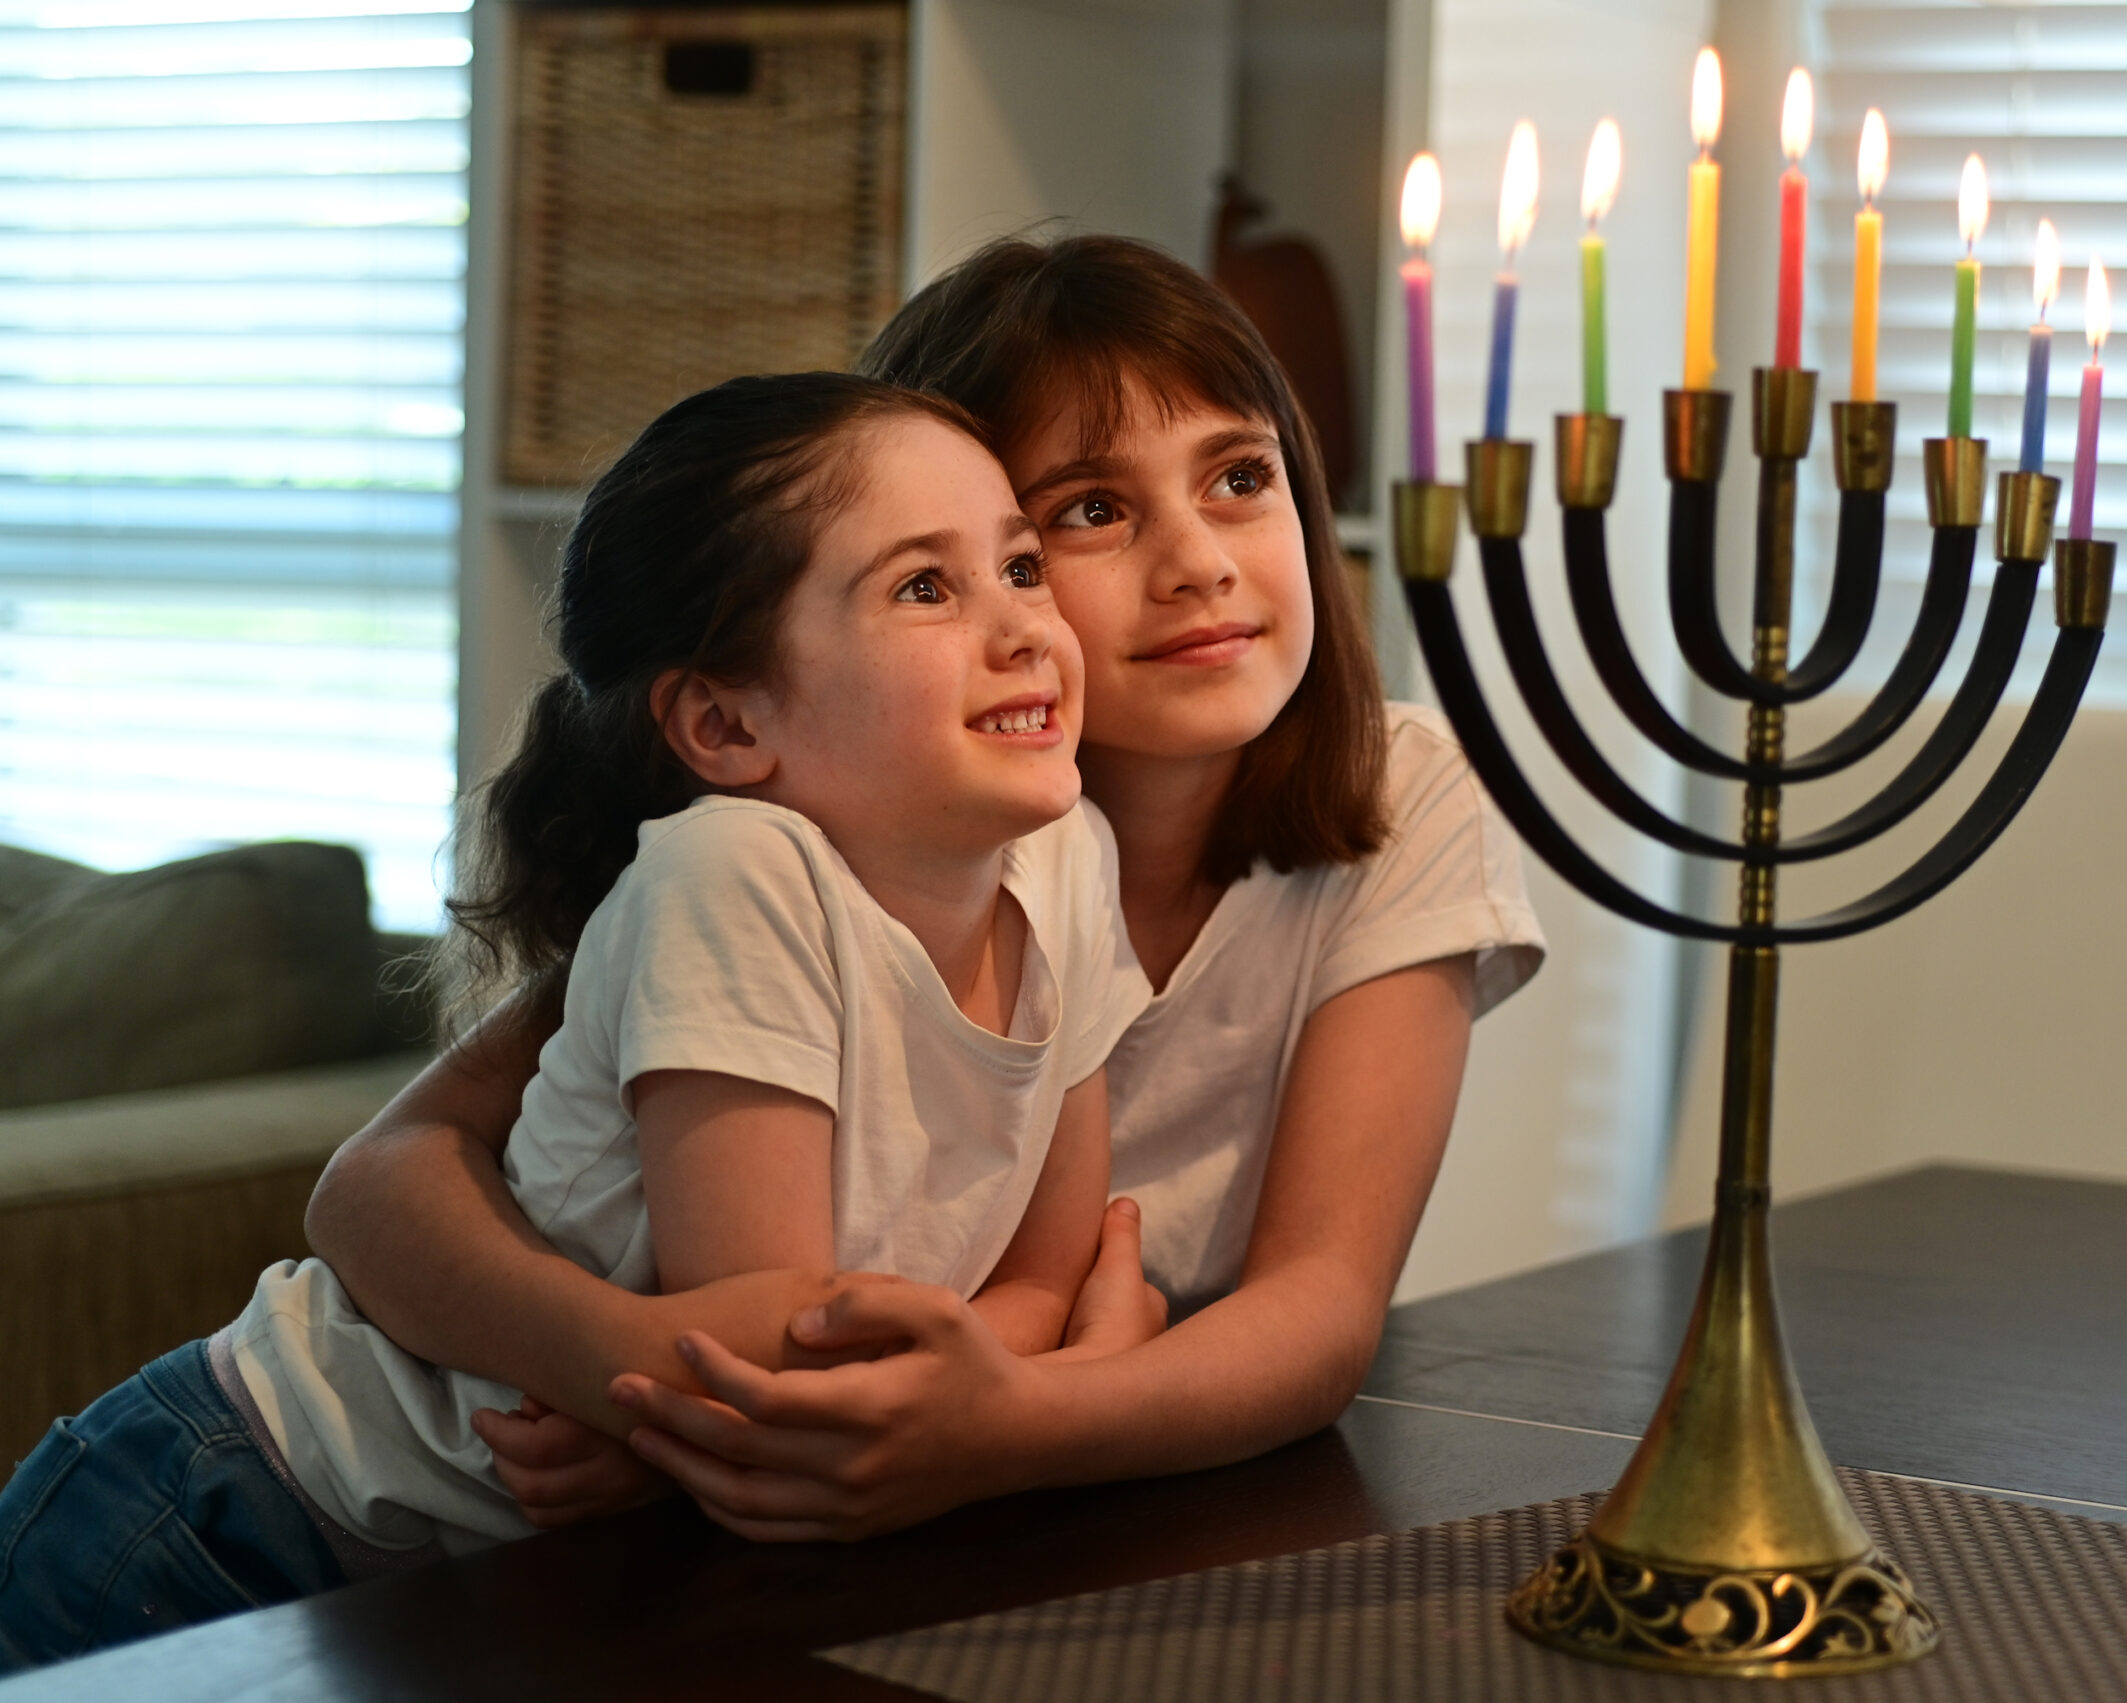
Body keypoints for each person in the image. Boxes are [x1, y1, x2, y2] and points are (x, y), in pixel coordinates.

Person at [300, 236, 1546, 1544]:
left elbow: (1320, 1311)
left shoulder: (1404, 798)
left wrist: (1007, 1419)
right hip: (654, 1489)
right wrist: (641, 1388)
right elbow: (383, 1176)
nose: (1199, 563)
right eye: (1089, 511)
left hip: (1010, 1492)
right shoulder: (832, 836)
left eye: (1241, 476)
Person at [0, 373, 1156, 1671]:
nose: (1023, 628)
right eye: (925, 588)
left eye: (1018, 564)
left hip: (495, 1581)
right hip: (225, 1509)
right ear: (725, 722)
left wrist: (974, 1402)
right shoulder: (733, 878)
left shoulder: (1068, 857)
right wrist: (973, 1392)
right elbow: (760, 1350)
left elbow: (1045, 1277)